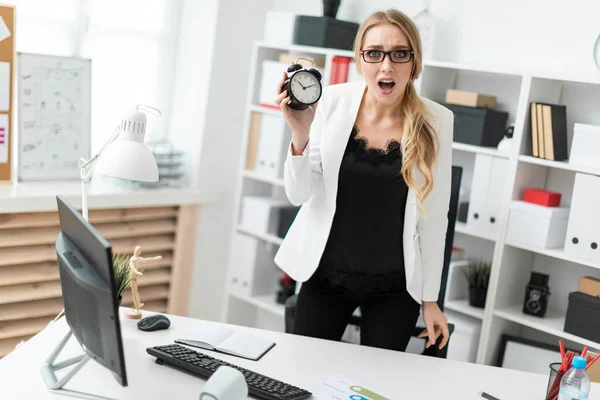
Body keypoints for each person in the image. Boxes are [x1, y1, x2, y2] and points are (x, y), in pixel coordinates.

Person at [273, 8, 454, 353]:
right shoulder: (331, 103)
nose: (386, 67)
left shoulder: (437, 121)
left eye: (399, 54)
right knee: (302, 372)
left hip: (395, 287)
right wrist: (300, 132)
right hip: (325, 275)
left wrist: (430, 301)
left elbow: (434, 221)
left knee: (375, 386)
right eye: (374, 54)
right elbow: (299, 195)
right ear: (360, 59)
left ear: (414, 63)